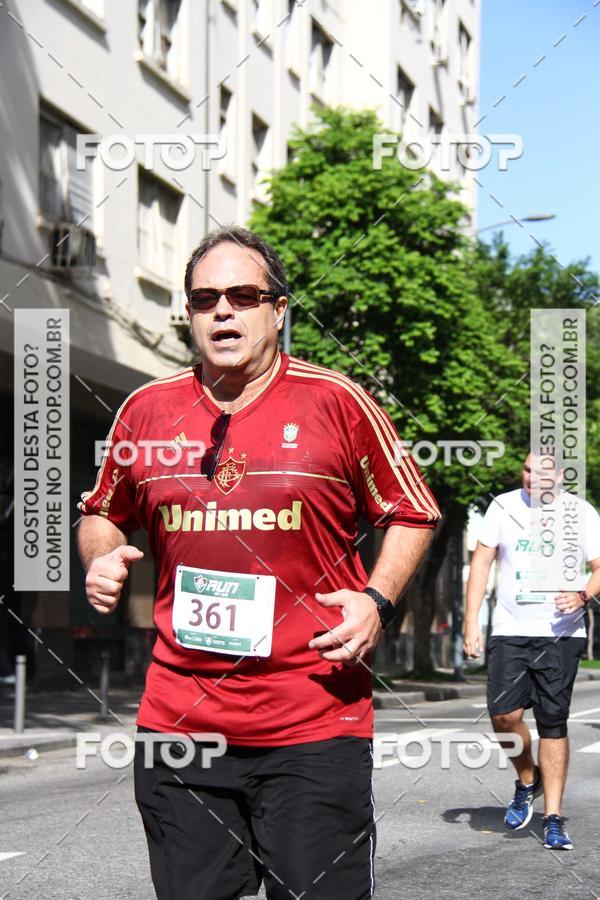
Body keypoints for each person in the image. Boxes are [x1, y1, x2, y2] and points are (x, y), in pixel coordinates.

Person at [77, 226, 441, 900]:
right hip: (180, 728)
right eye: (204, 298)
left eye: (243, 296)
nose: (223, 310)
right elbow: (101, 510)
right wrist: (100, 556)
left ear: (278, 310)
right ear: (189, 314)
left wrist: (377, 600)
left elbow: (412, 511)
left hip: (312, 722)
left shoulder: (337, 402)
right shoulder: (146, 412)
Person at [464, 452, 600, 851]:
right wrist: (471, 621)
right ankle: (528, 778)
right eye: (526, 470)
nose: (531, 478)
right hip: (510, 629)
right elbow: (481, 564)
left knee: (552, 722)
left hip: (560, 634)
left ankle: (553, 818)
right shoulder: (502, 506)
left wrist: (583, 595)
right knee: (503, 715)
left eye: (541, 473)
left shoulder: (581, 512)